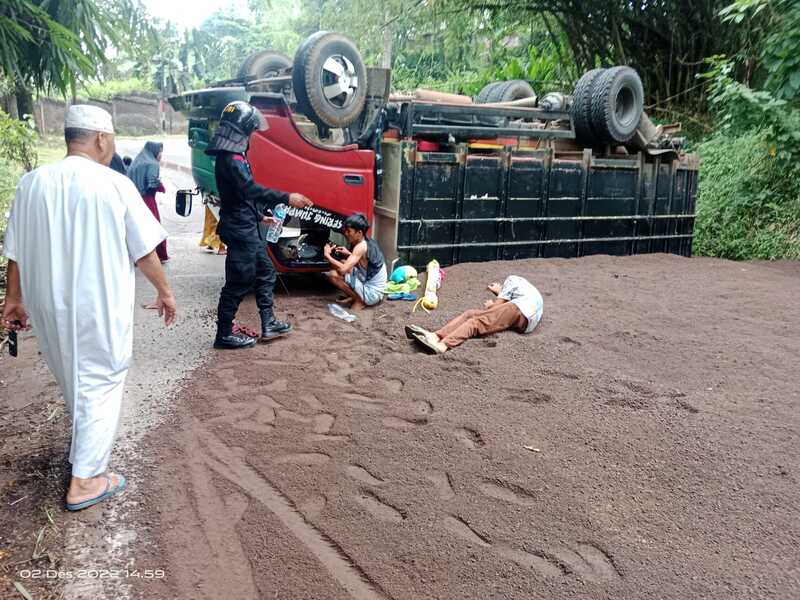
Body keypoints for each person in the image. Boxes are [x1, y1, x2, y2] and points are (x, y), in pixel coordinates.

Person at [1, 105, 176, 511]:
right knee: (102, 379)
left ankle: (82, 452)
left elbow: (15, 251)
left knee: (73, 374)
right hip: (96, 302)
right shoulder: (112, 183)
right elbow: (145, 251)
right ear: (101, 138)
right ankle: (86, 481)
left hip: (48, 305)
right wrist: (165, 292)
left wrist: (14, 299)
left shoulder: (32, 183)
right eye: (111, 140)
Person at [205, 100, 312, 350]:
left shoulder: (234, 155)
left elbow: (241, 195)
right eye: (251, 130)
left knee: (266, 272)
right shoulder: (231, 158)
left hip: (245, 224)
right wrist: (287, 197)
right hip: (240, 230)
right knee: (239, 282)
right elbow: (249, 189)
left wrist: (259, 215)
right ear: (242, 128)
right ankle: (223, 335)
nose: (252, 134)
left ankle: (269, 323)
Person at [406, 275, 543, 354]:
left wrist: (493, 303)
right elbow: (504, 304)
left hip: (520, 308)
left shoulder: (511, 280)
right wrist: (498, 297)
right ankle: (435, 335)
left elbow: (498, 306)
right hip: (528, 320)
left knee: (476, 322)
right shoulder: (524, 288)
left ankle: (443, 345)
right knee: (470, 314)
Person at [323, 213, 387, 310]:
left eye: (349, 231)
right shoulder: (367, 241)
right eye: (346, 231)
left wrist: (327, 255)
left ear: (359, 232)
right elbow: (365, 262)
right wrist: (349, 253)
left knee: (334, 275)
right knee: (345, 262)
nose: (346, 234)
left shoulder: (360, 247)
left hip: (373, 294)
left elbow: (342, 270)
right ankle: (356, 296)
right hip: (375, 289)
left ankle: (359, 300)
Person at [127, 141, 169, 264]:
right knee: (154, 227)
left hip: (134, 199)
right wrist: (161, 187)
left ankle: (137, 255)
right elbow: (152, 183)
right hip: (147, 199)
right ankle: (157, 255)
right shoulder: (152, 163)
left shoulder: (138, 161)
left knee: (137, 227)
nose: (161, 154)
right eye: (160, 151)